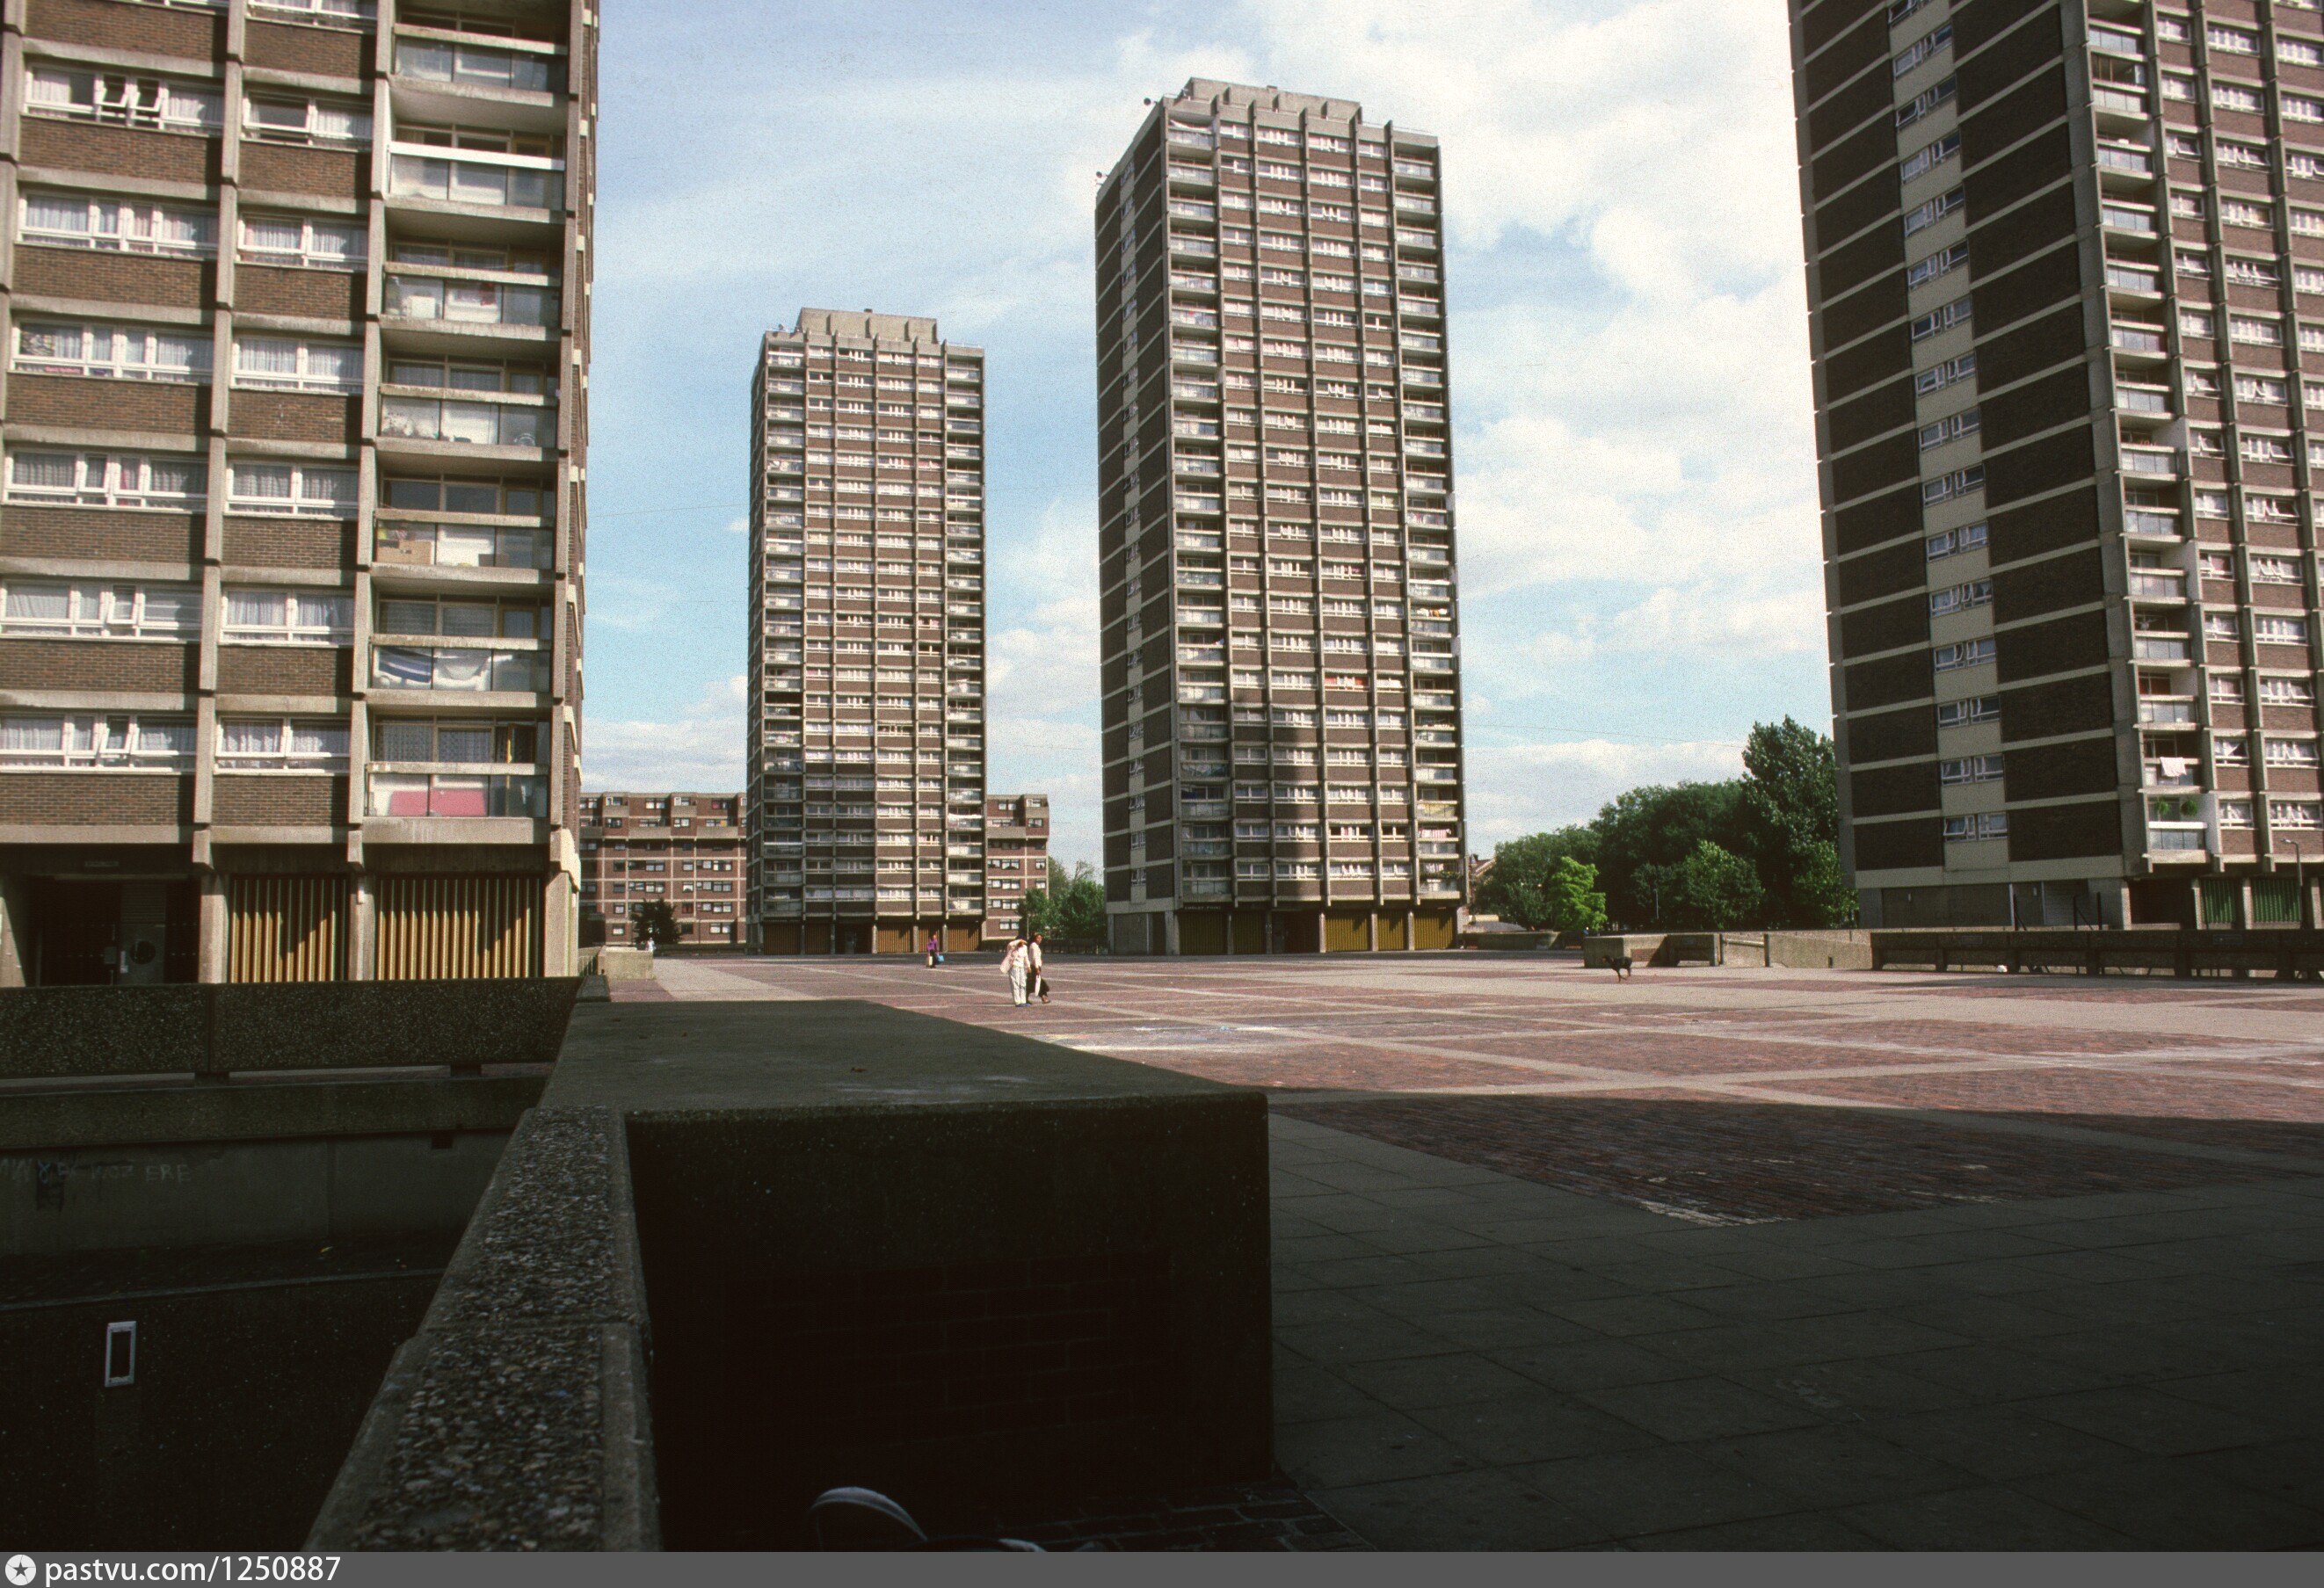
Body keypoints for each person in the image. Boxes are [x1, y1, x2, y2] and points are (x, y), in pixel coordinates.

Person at [1002, 933, 1029, 1007]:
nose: (1022, 943)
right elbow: (1011, 944)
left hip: (1021, 967)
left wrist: (1028, 966)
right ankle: (1018, 1002)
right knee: (1015, 984)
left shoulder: (1025, 948)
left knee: (1023, 984)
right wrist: (1018, 942)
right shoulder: (1012, 947)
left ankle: (1023, 1001)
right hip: (1014, 967)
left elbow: (1026, 957)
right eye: (1021, 942)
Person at [1028, 932, 1049, 1004]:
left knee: (1034, 983)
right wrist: (1037, 968)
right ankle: (1043, 997)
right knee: (1036, 983)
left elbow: (1037, 957)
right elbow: (1035, 958)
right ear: (1034, 938)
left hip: (1035, 967)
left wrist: (1040, 960)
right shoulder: (1034, 946)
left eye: (1040, 938)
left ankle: (1043, 997)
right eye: (1038, 938)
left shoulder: (1035, 945)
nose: (1040, 939)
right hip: (1034, 968)